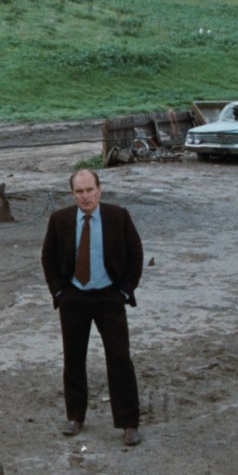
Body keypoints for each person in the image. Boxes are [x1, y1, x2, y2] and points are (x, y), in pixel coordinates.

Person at [41, 169, 144, 446]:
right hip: (74, 298)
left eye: (89, 190)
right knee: (74, 359)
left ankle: (129, 422)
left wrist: (124, 291)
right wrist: (60, 293)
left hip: (109, 297)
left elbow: (136, 255)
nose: (85, 197)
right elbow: (48, 258)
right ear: (72, 194)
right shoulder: (60, 220)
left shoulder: (118, 216)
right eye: (79, 192)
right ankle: (75, 416)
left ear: (99, 190)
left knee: (120, 358)